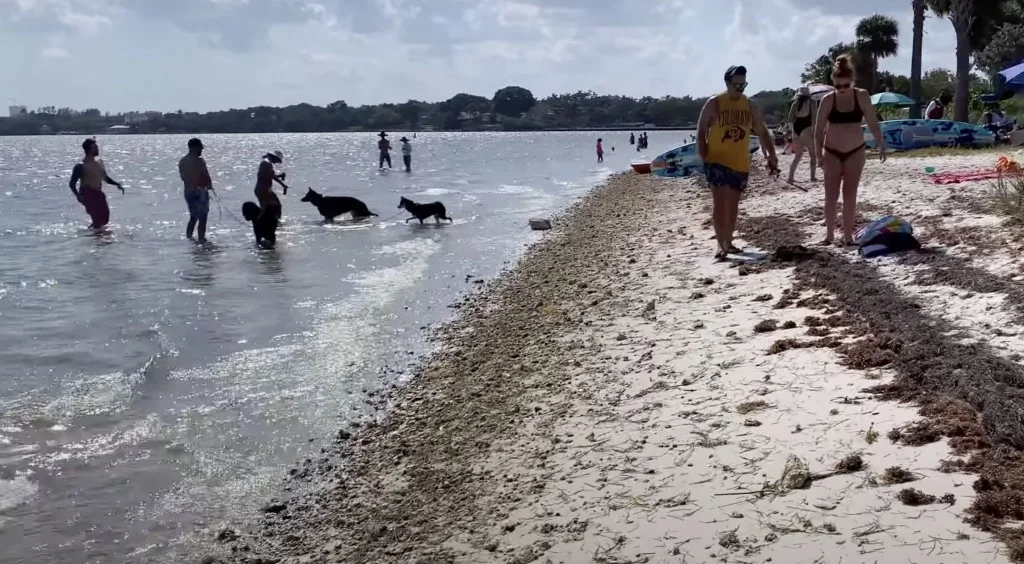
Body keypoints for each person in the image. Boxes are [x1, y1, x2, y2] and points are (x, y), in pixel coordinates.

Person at [697, 65, 778, 261]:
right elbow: (701, 132)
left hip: (739, 162)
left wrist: (771, 156)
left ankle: (729, 241)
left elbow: (763, 133)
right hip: (716, 159)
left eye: (743, 85)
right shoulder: (714, 103)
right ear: (727, 83)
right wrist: (704, 157)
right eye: (736, 85)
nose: (740, 89)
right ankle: (720, 244)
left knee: (733, 204)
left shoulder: (749, 105)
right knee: (720, 201)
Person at [814, 54, 886, 247]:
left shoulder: (861, 96)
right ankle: (829, 236)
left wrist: (881, 143)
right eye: (838, 86)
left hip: (855, 150)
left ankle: (847, 237)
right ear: (833, 83)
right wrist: (817, 153)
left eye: (846, 85)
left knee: (850, 194)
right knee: (830, 195)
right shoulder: (828, 100)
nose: (842, 90)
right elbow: (818, 129)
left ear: (852, 82)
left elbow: (872, 122)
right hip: (832, 151)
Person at [68, 138, 123, 229]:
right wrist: (78, 195)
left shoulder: (99, 162)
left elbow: (105, 177)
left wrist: (116, 184)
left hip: (98, 193)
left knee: (105, 220)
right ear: (89, 149)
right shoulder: (80, 165)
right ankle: (98, 241)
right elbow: (72, 184)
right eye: (95, 147)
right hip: (87, 194)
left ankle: (90, 235)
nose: (98, 149)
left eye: (97, 147)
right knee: (97, 222)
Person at [178, 138, 213, 242]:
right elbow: (206, 176)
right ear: (194, 148)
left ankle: (189, 238)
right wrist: (209, 185)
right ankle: (201, 239)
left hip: (188, 192)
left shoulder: (182, 161)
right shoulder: (199, 161)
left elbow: (183, 178)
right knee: (203, 217)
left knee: (193, 217)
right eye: (200, 148)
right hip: (200, 192)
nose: (201, 151)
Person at [787, 86, 818, 183]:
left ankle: (790, 177)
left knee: (798, 155)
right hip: (807, 129)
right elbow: (814, 118)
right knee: (813, 155)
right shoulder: (812, 102)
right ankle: (812, 177)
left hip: (796, 130)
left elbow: (790, 119)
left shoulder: (795, 103)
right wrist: (815, 131)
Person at [255, 150, 288, 222]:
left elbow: (269, 175)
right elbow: (270, 175)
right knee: (269, 208)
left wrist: (280, 176)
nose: (276, 162)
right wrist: (283, 185)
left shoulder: (267, 163)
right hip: (263, 190)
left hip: (265, 189)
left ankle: (275, 222)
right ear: (273, 157)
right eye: (277, 160)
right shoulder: (265, 163)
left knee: (274, 207)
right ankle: (267, 224)